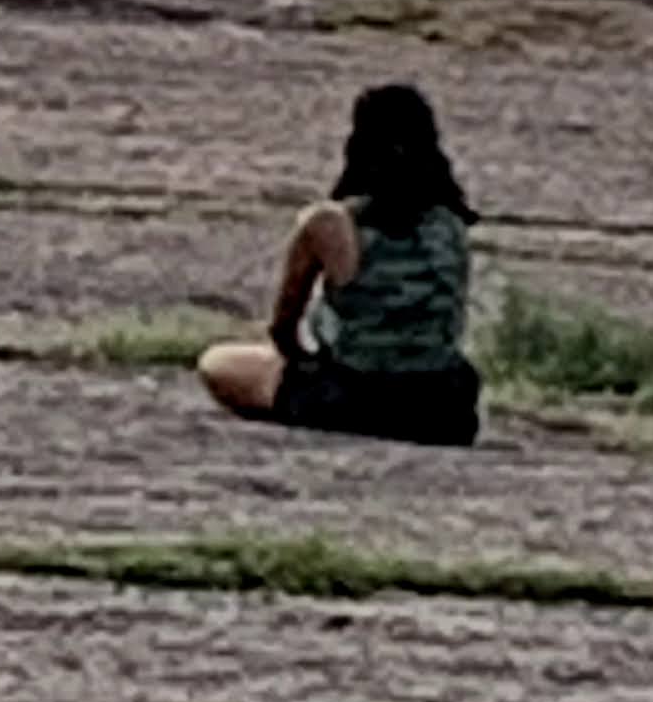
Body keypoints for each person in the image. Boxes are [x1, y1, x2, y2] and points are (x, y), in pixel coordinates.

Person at [197, 81, 481, 447]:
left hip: (356, 399)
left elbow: (284, 328)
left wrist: (305, 359)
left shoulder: (329, 223)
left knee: (219, 363)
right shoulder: (451, 225)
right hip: (442, 407)